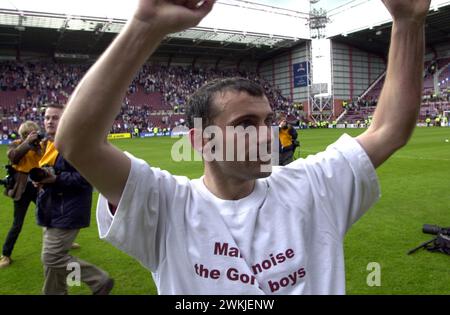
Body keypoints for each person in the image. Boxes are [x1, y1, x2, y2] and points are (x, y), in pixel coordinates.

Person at [55, 0, 431, 294]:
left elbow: (390, 129)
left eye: (269, 121)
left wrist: (408, 21)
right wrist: (144, 27)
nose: (268, 135)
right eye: (245, 125)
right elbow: (78, 142)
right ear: (201, 140)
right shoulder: (165, 205)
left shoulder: (314, 185)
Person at [34, 104, 114, 295]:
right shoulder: (49, 144)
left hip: (67, 210)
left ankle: (99, 280)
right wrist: (42, 180)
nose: (49, 121)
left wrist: (55, 179)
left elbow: (87, 179)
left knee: (51, 257)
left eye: (55, 118)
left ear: (66, 120)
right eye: (47, 117)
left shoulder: (75, 145)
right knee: (54, 261)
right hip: (50, 208)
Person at [0, 121, 43, 268]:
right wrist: (27, 143)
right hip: (22, 188)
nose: (31, 136)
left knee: (51, 216)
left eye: (33, 133)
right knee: (17, 224)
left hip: (38, 186)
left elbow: (44, 157)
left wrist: (36, 145)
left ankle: (62, 243)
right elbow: (14, 157)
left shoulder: (39, 145)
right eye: (27, 134)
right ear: (23, 134)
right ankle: (6, 254)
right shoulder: (15, 144)